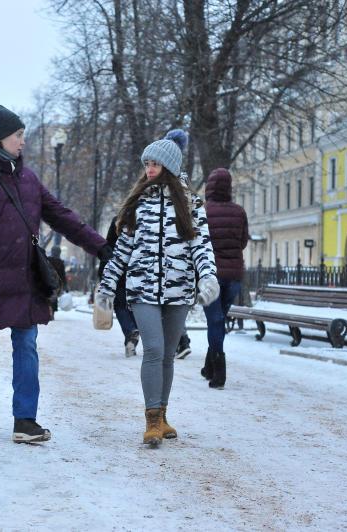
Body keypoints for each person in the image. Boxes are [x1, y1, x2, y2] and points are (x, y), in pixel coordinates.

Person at [0, 102, 110, 443]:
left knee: (26, 346)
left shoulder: (28, 178)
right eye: (18, 136)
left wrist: (101, 246)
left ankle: (25, 420)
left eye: (23, 136)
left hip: (24, 278)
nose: (23, 142)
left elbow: (63, 217)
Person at [96, 129, 219, 447]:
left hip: (178, 290)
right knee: (152, 349)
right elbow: (122, 250)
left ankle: (162, 415)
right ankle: (151, 419)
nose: (149, 169)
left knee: (167, 354)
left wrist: (207, 277)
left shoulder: (190, 205)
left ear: (170, 166)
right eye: (146, 163)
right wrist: (107, 288)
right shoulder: (138, 204)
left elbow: (201, 247)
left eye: (155, 164)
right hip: (143, 289)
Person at [200, 168, 249, 389]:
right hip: (234, 276)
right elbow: (243, 241)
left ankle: (219, 372)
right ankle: (209, 367)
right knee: (218, 320)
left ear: (209, 186)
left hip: (211, 276)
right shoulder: (239, 212)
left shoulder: (202, 211)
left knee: (215, 320)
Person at [98, 216, 139, 357]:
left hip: (119, 271)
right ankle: (132, 336)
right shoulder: (144, 218)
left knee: (120, 305)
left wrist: (103, 272)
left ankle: (130, 333)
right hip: (137, 271)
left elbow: (108, 247)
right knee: (133, 306)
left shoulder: (118, 220)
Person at [47, 245, 67, 314]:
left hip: (48, 281)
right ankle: (52, 311)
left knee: (49, 296)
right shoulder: (60, 262)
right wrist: (65, 285)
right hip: (56, 282)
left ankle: (49, 310)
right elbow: (63, 275)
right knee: (54, 297)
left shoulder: (47, 259)